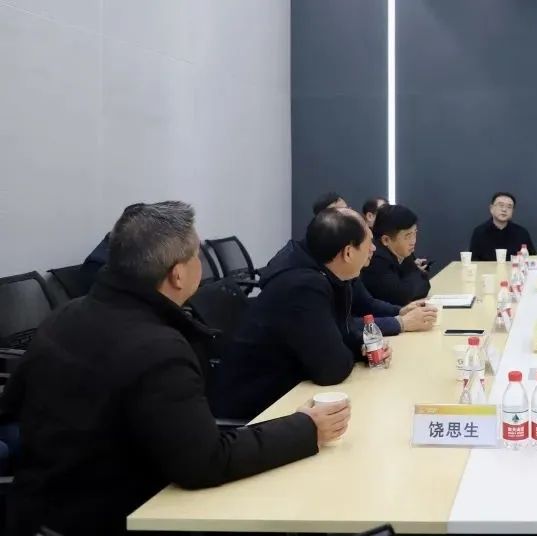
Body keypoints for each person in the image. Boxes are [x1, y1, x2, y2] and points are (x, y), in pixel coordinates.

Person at [0, 202, 350, 535]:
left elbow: (12, 408)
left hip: (35, 513)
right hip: (117, 518)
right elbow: (205, 461)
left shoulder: (63, 316)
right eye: (196, 254)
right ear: (178, 275)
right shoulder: (158, 350)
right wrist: (306, 428)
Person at [212, 208, 392, 420]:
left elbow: (341, 332)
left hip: (284, 392)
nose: (373, 248)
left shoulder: (322, 272)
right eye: (369, 242)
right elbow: (331, 369)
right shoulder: (302, 288)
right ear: (348, 253)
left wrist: (363, 347)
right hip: (258, 410)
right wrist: (351, 348)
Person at [291, 194, 435, 336]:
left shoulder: (344, 266)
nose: (373, 248)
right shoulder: (306, 278)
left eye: (348, 209)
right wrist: (399, 322)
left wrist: (400, 312)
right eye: (338, 213)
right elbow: (339, 326)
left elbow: (366, 303)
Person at [362, 204, 431, 306]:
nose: (413, 241)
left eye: (415, 233)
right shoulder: (375, 259)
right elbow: (401, 297)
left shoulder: (403, 251)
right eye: (408, 236)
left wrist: (411, 281)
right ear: (386, 240)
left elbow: (425, 285)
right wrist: (415, 278)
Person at [468, 192, 536, 261]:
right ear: (491, 208)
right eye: (501, 205)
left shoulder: (522, 233)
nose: (504, 210)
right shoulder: (479, 232)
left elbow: (532, 259)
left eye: (509, 207)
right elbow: (473, 260)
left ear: (513, 211)